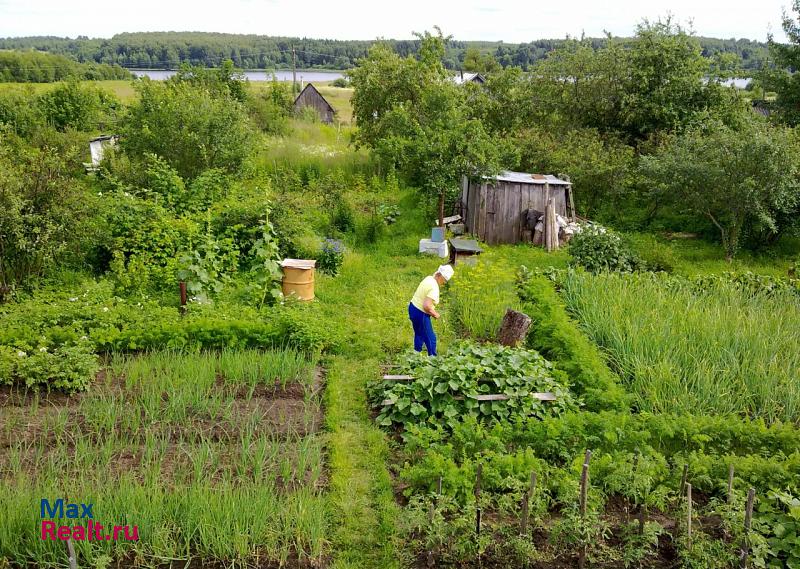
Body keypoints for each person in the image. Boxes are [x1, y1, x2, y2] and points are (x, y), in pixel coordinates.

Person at [408, 265, 454, 356]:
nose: (444, 283)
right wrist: (435, 314)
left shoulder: (429, 278)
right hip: (420, 313)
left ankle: (416, 356)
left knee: (419, 334)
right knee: (431, 338)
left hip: (412, 307)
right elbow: (426, 306)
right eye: (444, 280)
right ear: (440, 276)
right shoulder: (434, 287)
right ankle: (433, 359)